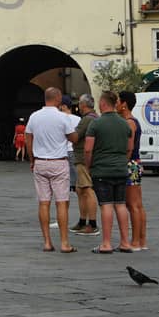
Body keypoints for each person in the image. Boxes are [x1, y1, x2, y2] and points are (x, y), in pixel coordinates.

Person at [25, 86, 78, 253]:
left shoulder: (34, 117)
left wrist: (32, 160)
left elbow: (28, 139)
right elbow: (74, 138)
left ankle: (47, 242)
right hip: (59, 162)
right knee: (61, 202)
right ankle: (64, 243)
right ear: (58, 99)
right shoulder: (63, 118)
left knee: (43, 203)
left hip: (40, 162)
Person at [84, 91, 133, 254]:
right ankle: (125, 242)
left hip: (102, 169)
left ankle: (106, 243)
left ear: (103, 104)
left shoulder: (96, 124)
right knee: (120, 204)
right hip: (120, 169)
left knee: (106, 205)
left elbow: (88, 149)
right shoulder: (124, 123)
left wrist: (89, 166)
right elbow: (129, 148)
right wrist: (122, 161)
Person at [118, 91, 148, 253]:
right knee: (137, 205)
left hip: (130, 164)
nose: (115, 104)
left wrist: (123, 163)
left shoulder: (129, 122)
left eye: (117, 101)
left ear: (124, 104)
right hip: (135, 164)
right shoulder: (131, 121)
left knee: (133, 205)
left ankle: (136, 241)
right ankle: (141, 240)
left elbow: (128, 147)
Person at [70, 95, 99, 235]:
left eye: (79, 103)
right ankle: (82, 221)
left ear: (83, 104)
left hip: (83, 159)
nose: (78, 106)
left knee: (87, 190)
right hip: (84, 159)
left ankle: (92, 224)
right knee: (80, 190)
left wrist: (66, 132)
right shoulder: (95, 117)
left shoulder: (87, 119)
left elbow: (75, 137)